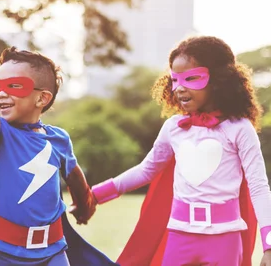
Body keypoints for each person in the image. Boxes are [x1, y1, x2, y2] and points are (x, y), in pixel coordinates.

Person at [91, 36, 271, 266]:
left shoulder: (239, 129)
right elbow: (146, 170)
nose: (180, 88)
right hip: (179, 235)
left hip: (224, 238)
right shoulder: (173, 128)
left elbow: (258, 187)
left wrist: (268, 245)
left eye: (192, 78)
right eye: (175, 80)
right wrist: (96, 194)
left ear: (219, 80)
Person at [0, 28, 116, 265]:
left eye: (14, 86)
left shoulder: (59, 138)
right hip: (7, 254)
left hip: (54, 251)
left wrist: (84, 205)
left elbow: (74, 174)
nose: (2, 94)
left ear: (42, 98)